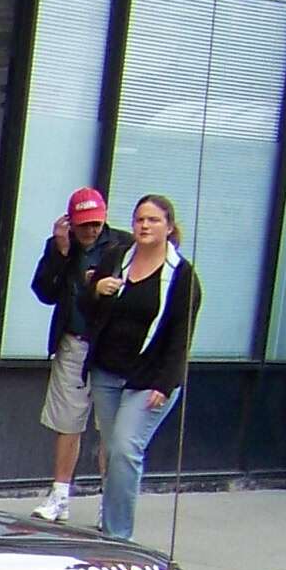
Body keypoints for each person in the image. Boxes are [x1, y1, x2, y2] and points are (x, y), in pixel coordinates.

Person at [79, 193, 199, 544]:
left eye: (153, 220)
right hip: (107, 371)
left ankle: (118, 537)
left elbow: (180, 336)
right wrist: (97, 289)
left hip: (148, 379)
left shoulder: (182, 276)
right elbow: (87, 307)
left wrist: (166, 383)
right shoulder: (118, 257)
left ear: (169, 227)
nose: (144, 226)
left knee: (125, 448)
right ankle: (109, 519)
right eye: (139, 220)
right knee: (111, 448)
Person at [27, 187, 127, 522]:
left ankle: (108, 503)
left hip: (108, 345)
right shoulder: (61, 246)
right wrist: (60, 252)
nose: (91, 231)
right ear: (71, 222)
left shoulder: (122, 246)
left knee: (109, 426)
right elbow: (44, 292)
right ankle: (60, 495)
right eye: (84, 225)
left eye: (96, 224)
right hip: (73, 340)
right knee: (67, 421)